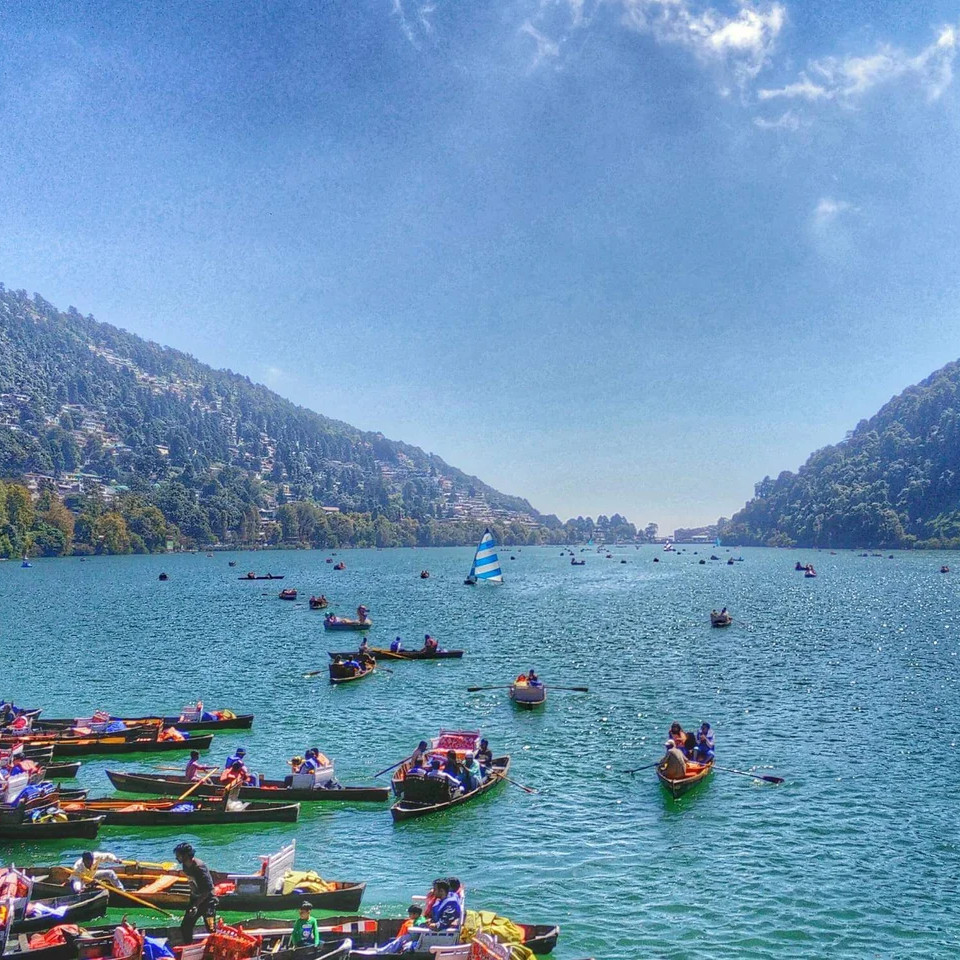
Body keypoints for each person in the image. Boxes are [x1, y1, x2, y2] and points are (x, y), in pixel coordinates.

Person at [175, 843, 217, 940]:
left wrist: (196, 905)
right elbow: (192, 883)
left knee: (211, 929)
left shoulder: (199, 868)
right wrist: (193, 901)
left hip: (208, 901)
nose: (177, 858)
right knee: (185, 927)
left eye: (179, 855)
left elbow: (208, 889)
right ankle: (188, 947)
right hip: (195, 898)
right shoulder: (185, 866)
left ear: (186, 856)